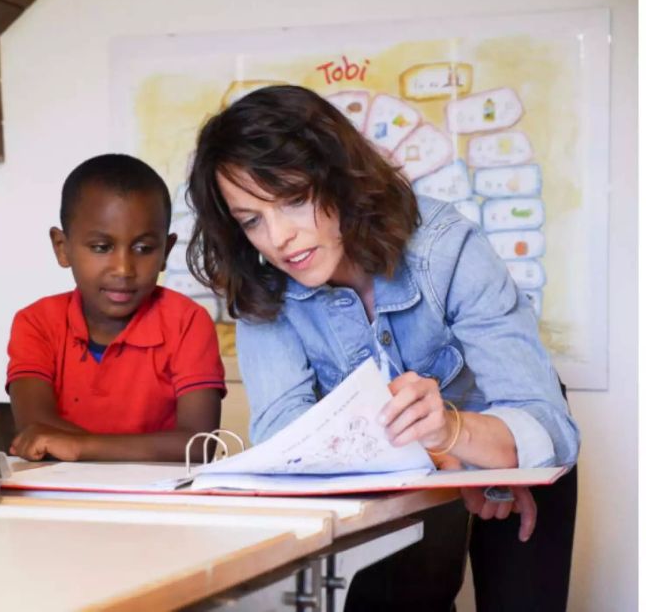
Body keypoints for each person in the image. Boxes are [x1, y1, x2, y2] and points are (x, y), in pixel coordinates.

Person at [184, 85, 580, 611]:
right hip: (402, 466)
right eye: (252, 220)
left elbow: (547, 426)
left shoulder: (446, 248)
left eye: (295, 200)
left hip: (505, 441)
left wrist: (465, 438)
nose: (278, 238)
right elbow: (288, 441)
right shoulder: (262, 287)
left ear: (340, 176)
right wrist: (441, 457)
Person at [6, 153, 225, 463]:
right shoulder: (37, 322)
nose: (123, 269)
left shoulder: (187, 322)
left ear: (166, 251)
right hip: (58, 497)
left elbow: (198, 445)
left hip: (161, 502)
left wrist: (81, 447)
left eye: (144, 248)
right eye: (101, 247)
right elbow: (35, 427)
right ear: (62, 247)